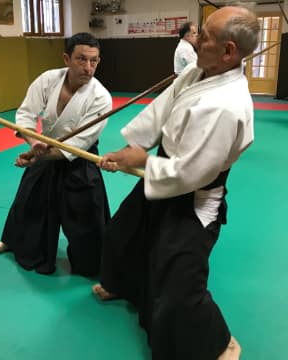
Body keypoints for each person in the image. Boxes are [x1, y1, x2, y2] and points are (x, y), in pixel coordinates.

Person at [93, 6, 259, 360]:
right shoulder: (199, 72)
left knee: (178, 285)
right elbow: (161, 108)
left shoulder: (228, 105)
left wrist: (144, 163)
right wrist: (134, 146)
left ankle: (219, 341)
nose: (195, 40)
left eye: (205, 37)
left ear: (229, 51)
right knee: (123, 234)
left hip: (194, 196)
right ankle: (125, 286)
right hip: (164, 173)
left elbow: (195, 172)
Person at [0, 32, 112, 277]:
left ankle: (95, 264)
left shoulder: (101, 98)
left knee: (86, 213)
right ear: (66, 58)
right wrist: (34, 143)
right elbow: (25, 116)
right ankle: (12, 242)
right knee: (27, 202)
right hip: (43, 147)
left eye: (94, 61)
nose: (88, 67)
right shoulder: (48, 80)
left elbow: (78, 143)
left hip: (79, 157)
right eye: (81, 59)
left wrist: (37, 156)